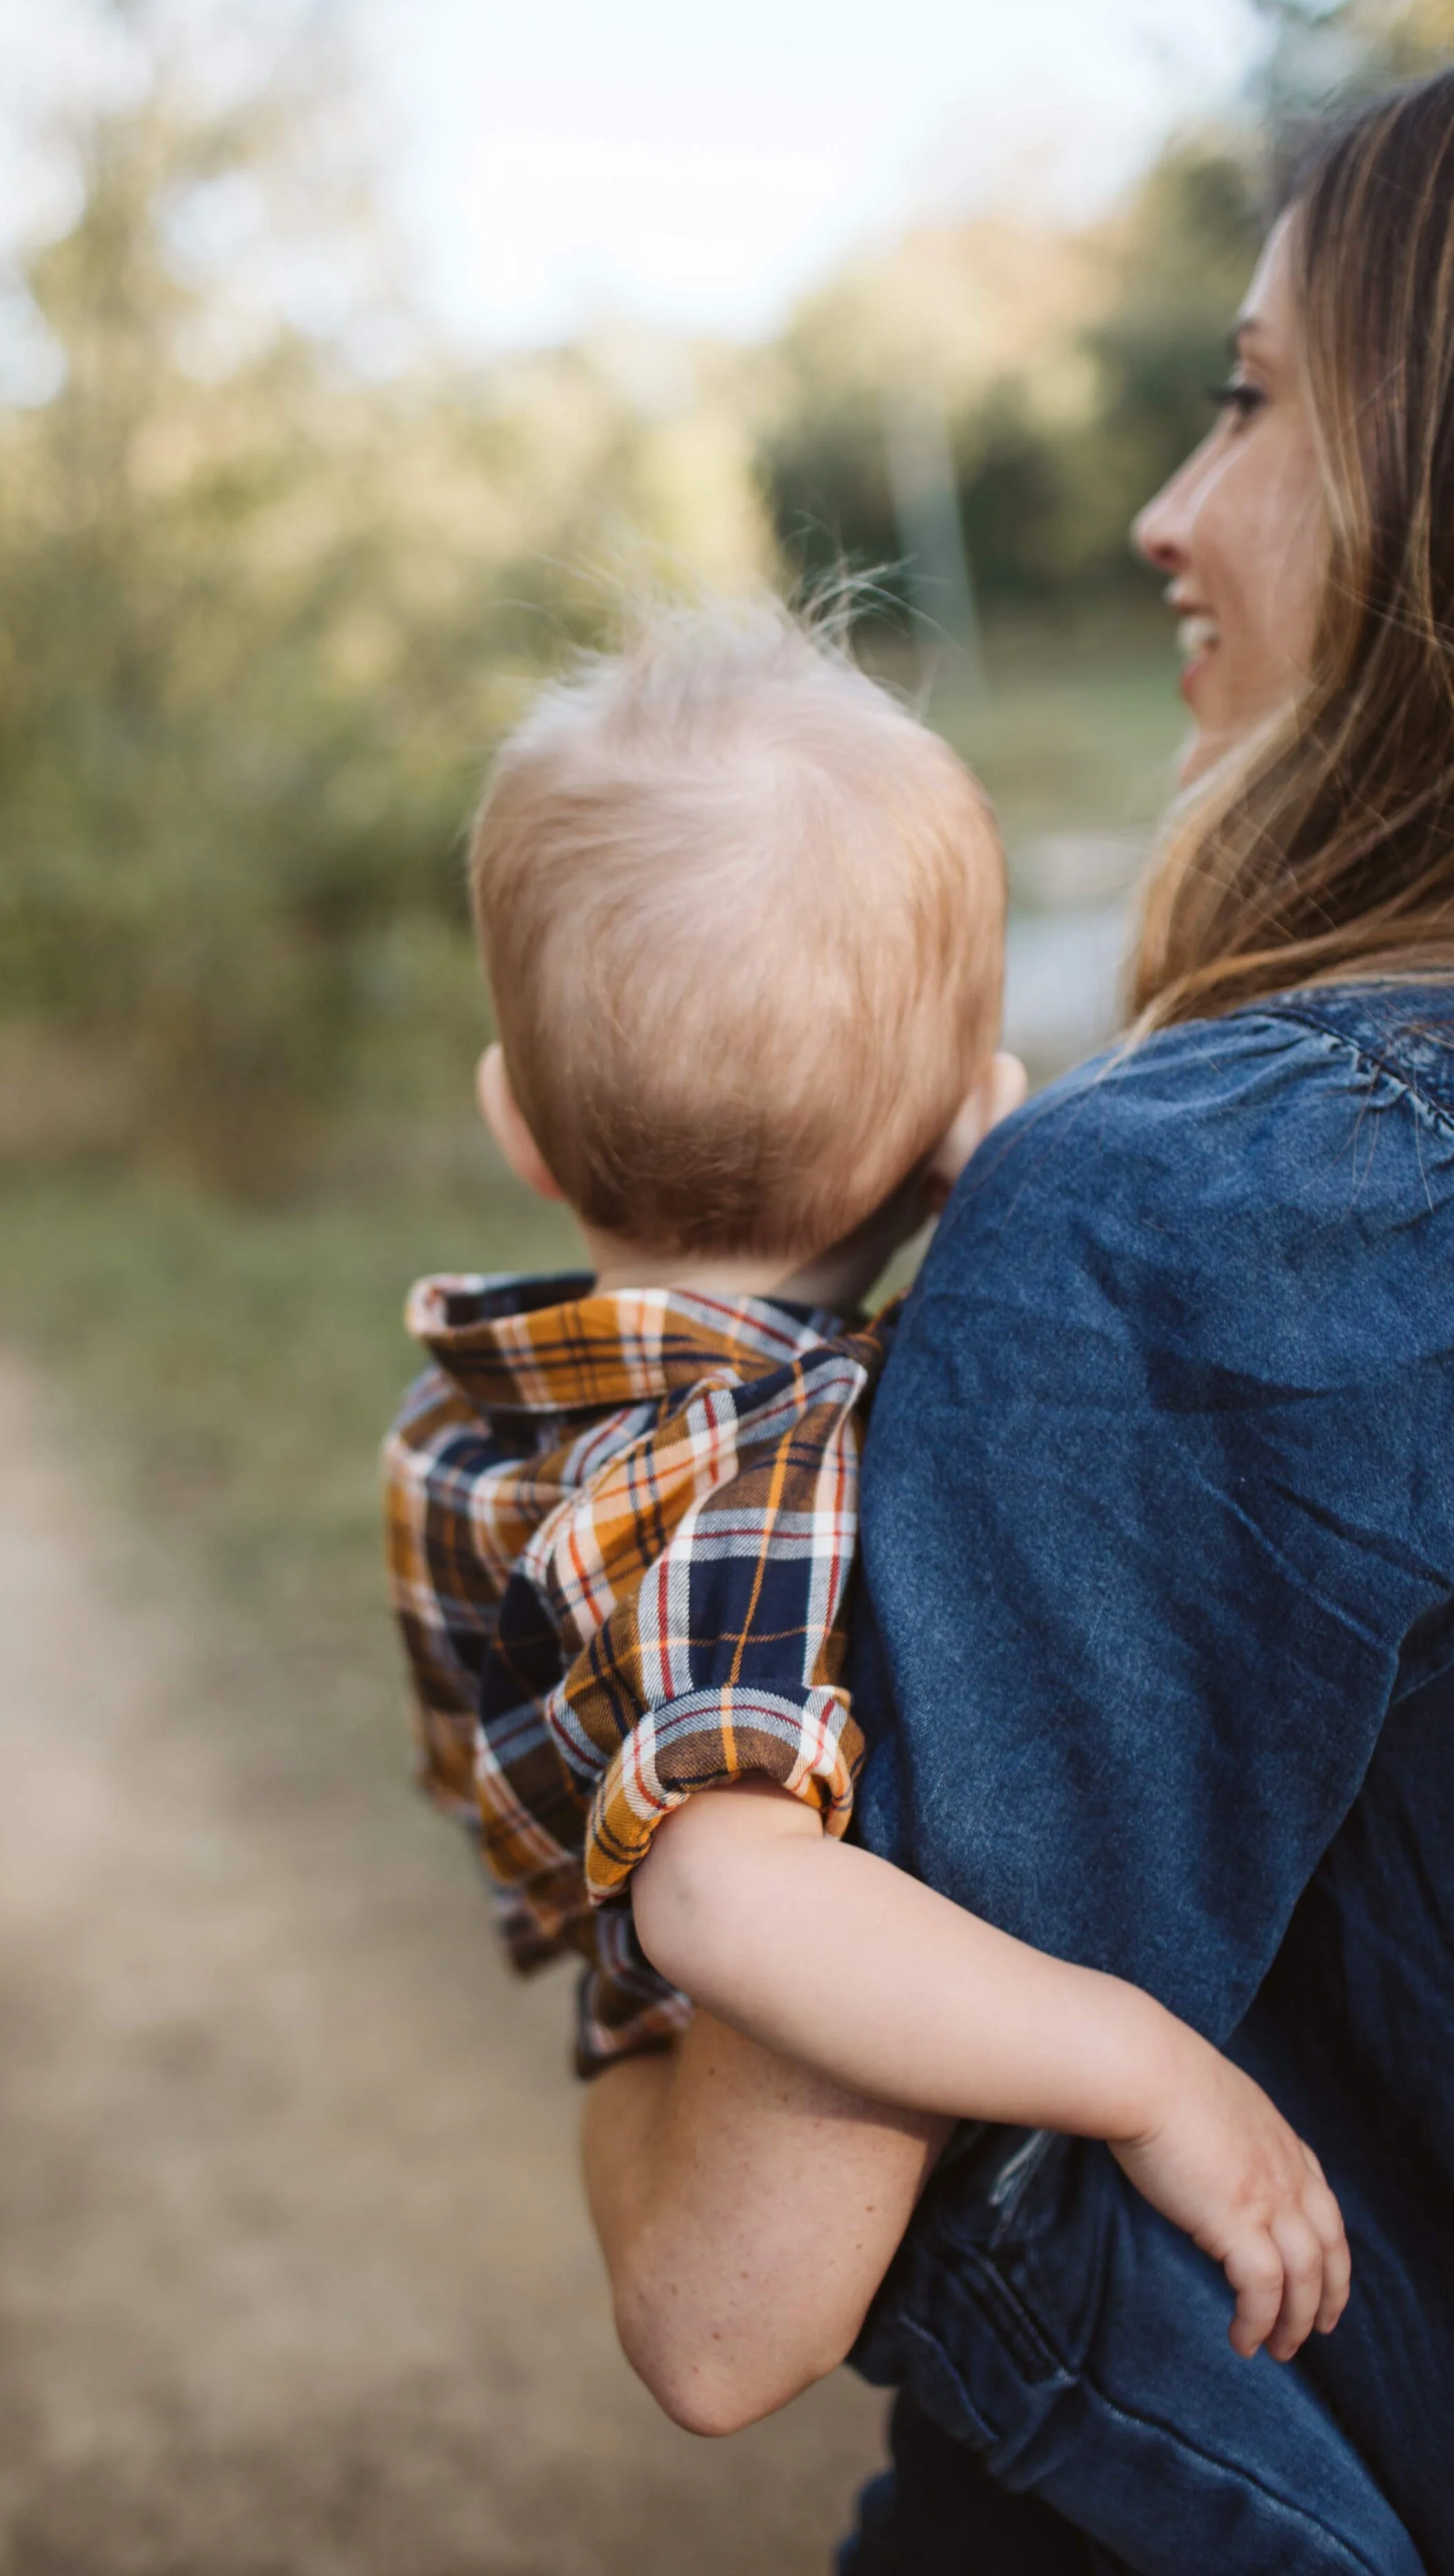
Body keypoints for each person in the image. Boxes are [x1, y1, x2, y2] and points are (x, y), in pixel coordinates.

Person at [580, 70, 1454, 2576]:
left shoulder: (1210, 1202)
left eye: (1257, 397)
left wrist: (576, 1945)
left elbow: (720, 2298)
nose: (1169, 510)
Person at [383, 604, 1400, 2570]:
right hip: (702, 2002)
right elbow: (723, 1884)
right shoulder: (722, 1469)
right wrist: (1138, 2063)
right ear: (967, 1133)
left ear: (512, 1116)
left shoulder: (532, 1407)